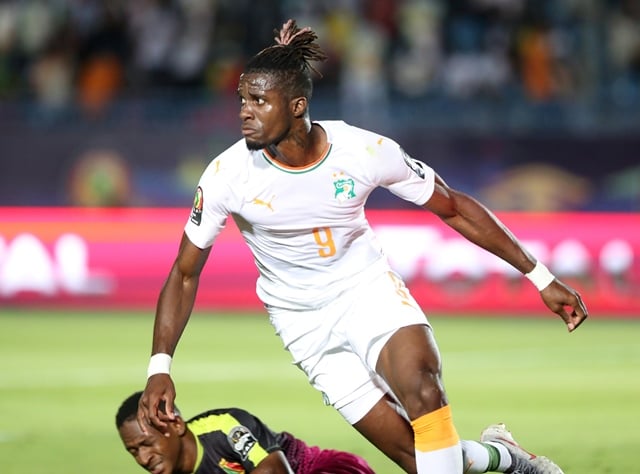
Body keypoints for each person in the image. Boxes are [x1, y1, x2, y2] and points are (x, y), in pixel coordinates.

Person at [137, 19, 588, 474]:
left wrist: (540, 277)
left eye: (258, 100)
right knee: (420, 457)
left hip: (365, 289)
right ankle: (505, 457)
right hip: (302, 322)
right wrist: (160, 366)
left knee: (424, 390)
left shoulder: (362, 152)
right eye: (242, 100)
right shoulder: (226, 176)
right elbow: (184, 272)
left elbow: (452, 207)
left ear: (296, 106)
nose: (244, 113)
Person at [117, 390, 376, 473]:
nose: (143, 458)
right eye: (133, 452)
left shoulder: (223, 428)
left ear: (175, 425)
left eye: (146, 443)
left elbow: (275, 470)